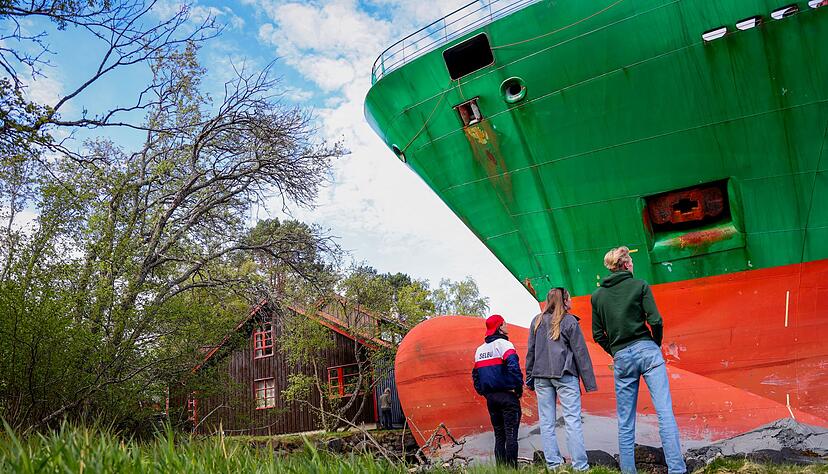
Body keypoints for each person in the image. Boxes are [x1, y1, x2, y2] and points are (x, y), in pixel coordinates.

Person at [592, 246, 687, 474]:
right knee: (664, 412)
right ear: (625, 265)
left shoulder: (597, 297)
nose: (633, 265)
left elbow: (597, 335)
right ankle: (676, 469)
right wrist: (654, 342)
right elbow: (656, 320)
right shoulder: (640, 285)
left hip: (622, 356)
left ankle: (628, 471)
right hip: (647, 350)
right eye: (631, 262)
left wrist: (615, 350)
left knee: (625, 421)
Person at [526, 287, 597, 471]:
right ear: (564, 301)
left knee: (546, 422)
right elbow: (581, 353)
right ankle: (580, 466)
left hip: (541, 376)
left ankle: (554, 465)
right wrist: (589, 383)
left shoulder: (537, 321)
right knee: (572, 421)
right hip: (565, 375)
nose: (572, 301)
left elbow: (531, 353)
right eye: (570, 298)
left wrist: (529, 379)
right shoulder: (569, 321)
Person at [472, 314, 524, 467]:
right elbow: (513, 366)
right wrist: (518, 387)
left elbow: (475, 375)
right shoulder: (504, 345)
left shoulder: (479, 350)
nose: (507, 326)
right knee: (511, 436)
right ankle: (512, 469)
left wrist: (483, 392)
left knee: (499, 436)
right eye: (505, 323)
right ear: (500, 327)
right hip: (508, 397)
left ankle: (501, 469)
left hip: (491, 400)